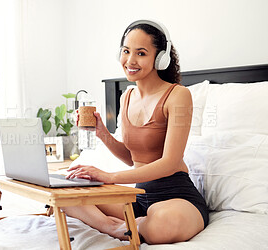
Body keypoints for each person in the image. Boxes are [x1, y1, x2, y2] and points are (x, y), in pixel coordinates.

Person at [64, 19, 209, 244]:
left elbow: (170, 162)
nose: (130, 60)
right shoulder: (127, 96)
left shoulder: (177, 95)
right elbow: (133, 159)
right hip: (139, 197)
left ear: (160, 58)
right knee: (67, 195)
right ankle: (113, 227)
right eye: (126, 51)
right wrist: (103, 133)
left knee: (162, 222)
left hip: (176, 197)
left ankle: (134, 225)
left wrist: (109, 178)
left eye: (141, 53)